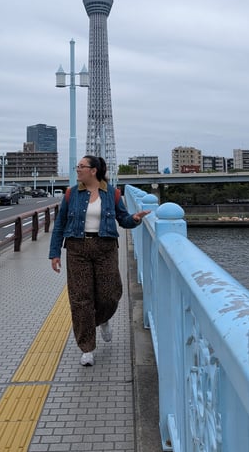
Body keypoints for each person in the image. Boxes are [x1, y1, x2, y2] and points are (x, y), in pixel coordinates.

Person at [49, 155, 149, 366]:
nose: (77, 170)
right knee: (80, 299)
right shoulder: (71, 194)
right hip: (77, 249)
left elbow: (123, 219)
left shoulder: (112, 193)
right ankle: (87, 348)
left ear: (93, 170)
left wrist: (135, 220)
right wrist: (55, 252)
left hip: (105, 248)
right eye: (78, 166)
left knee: (110, 294)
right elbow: (60, 224)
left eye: (81, 167)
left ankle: (102, 319)